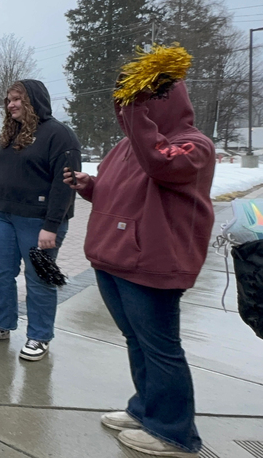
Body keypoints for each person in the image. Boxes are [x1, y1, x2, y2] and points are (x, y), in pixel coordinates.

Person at [66, 79, 213, 458]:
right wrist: (91, 185)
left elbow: (161, 165)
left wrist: (135, 111)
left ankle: (174, 434)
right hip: (113, 258)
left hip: (153, 264)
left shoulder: (194, 145)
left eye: (147, 99)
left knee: (162, 349)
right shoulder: (127, 146)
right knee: (137, 340)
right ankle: (146, 410)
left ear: (168, 101)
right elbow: (122, 188)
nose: (136, 106)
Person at [0, 80, 80, 361]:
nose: (11, 105)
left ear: (34, 101)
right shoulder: (10, 134)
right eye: (9, 100)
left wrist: (52, 226)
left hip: (38, 222)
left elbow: (65, 185)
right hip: (2, 217)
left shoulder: (59, 135)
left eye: (18, 99)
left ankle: (39, 335)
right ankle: (1, 324)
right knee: (2, 274)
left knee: (38, 280)